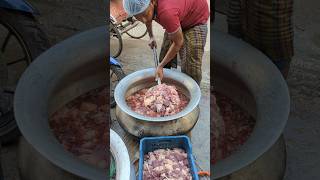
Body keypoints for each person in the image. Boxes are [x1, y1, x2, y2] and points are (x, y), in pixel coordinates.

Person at [123, 0, 210, 85]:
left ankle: (192, 92)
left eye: (144, 15)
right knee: (165, 52)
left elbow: (178, 42)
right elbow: (147, 18)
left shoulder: (167, 12)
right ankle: (163, 85)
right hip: (176, 14)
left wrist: (160, 66)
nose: (143, 20)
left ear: (152, 2)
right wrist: (151, 36)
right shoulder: (148, 7)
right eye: (138, 17)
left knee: (191, 66)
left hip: (195, 19)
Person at [226, 0, 294, 78]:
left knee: (252, 80)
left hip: (257, 41)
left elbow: (234, 11)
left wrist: (232, 42)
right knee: (276, 82)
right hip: (279, 42)